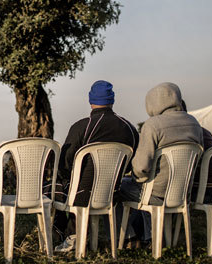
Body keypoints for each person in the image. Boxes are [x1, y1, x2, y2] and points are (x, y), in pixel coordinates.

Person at [54, 80, 139, 253]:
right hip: (113, 194)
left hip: (81, 196)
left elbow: (64, 164)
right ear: (112, 100)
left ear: (90, 100)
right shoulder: (129, 128)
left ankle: (67, 236)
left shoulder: (81, 127)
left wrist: (66, 178)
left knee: (54, 187)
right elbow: (132, 163)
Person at [119, 82, 203, 246]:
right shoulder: (194, 123)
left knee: (120, 186)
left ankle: (133, 237)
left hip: (156, 194)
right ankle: (150, 235)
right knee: (140, 187)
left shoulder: (153, 125)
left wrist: (136, 177)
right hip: (183, 192)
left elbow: (141, 167)